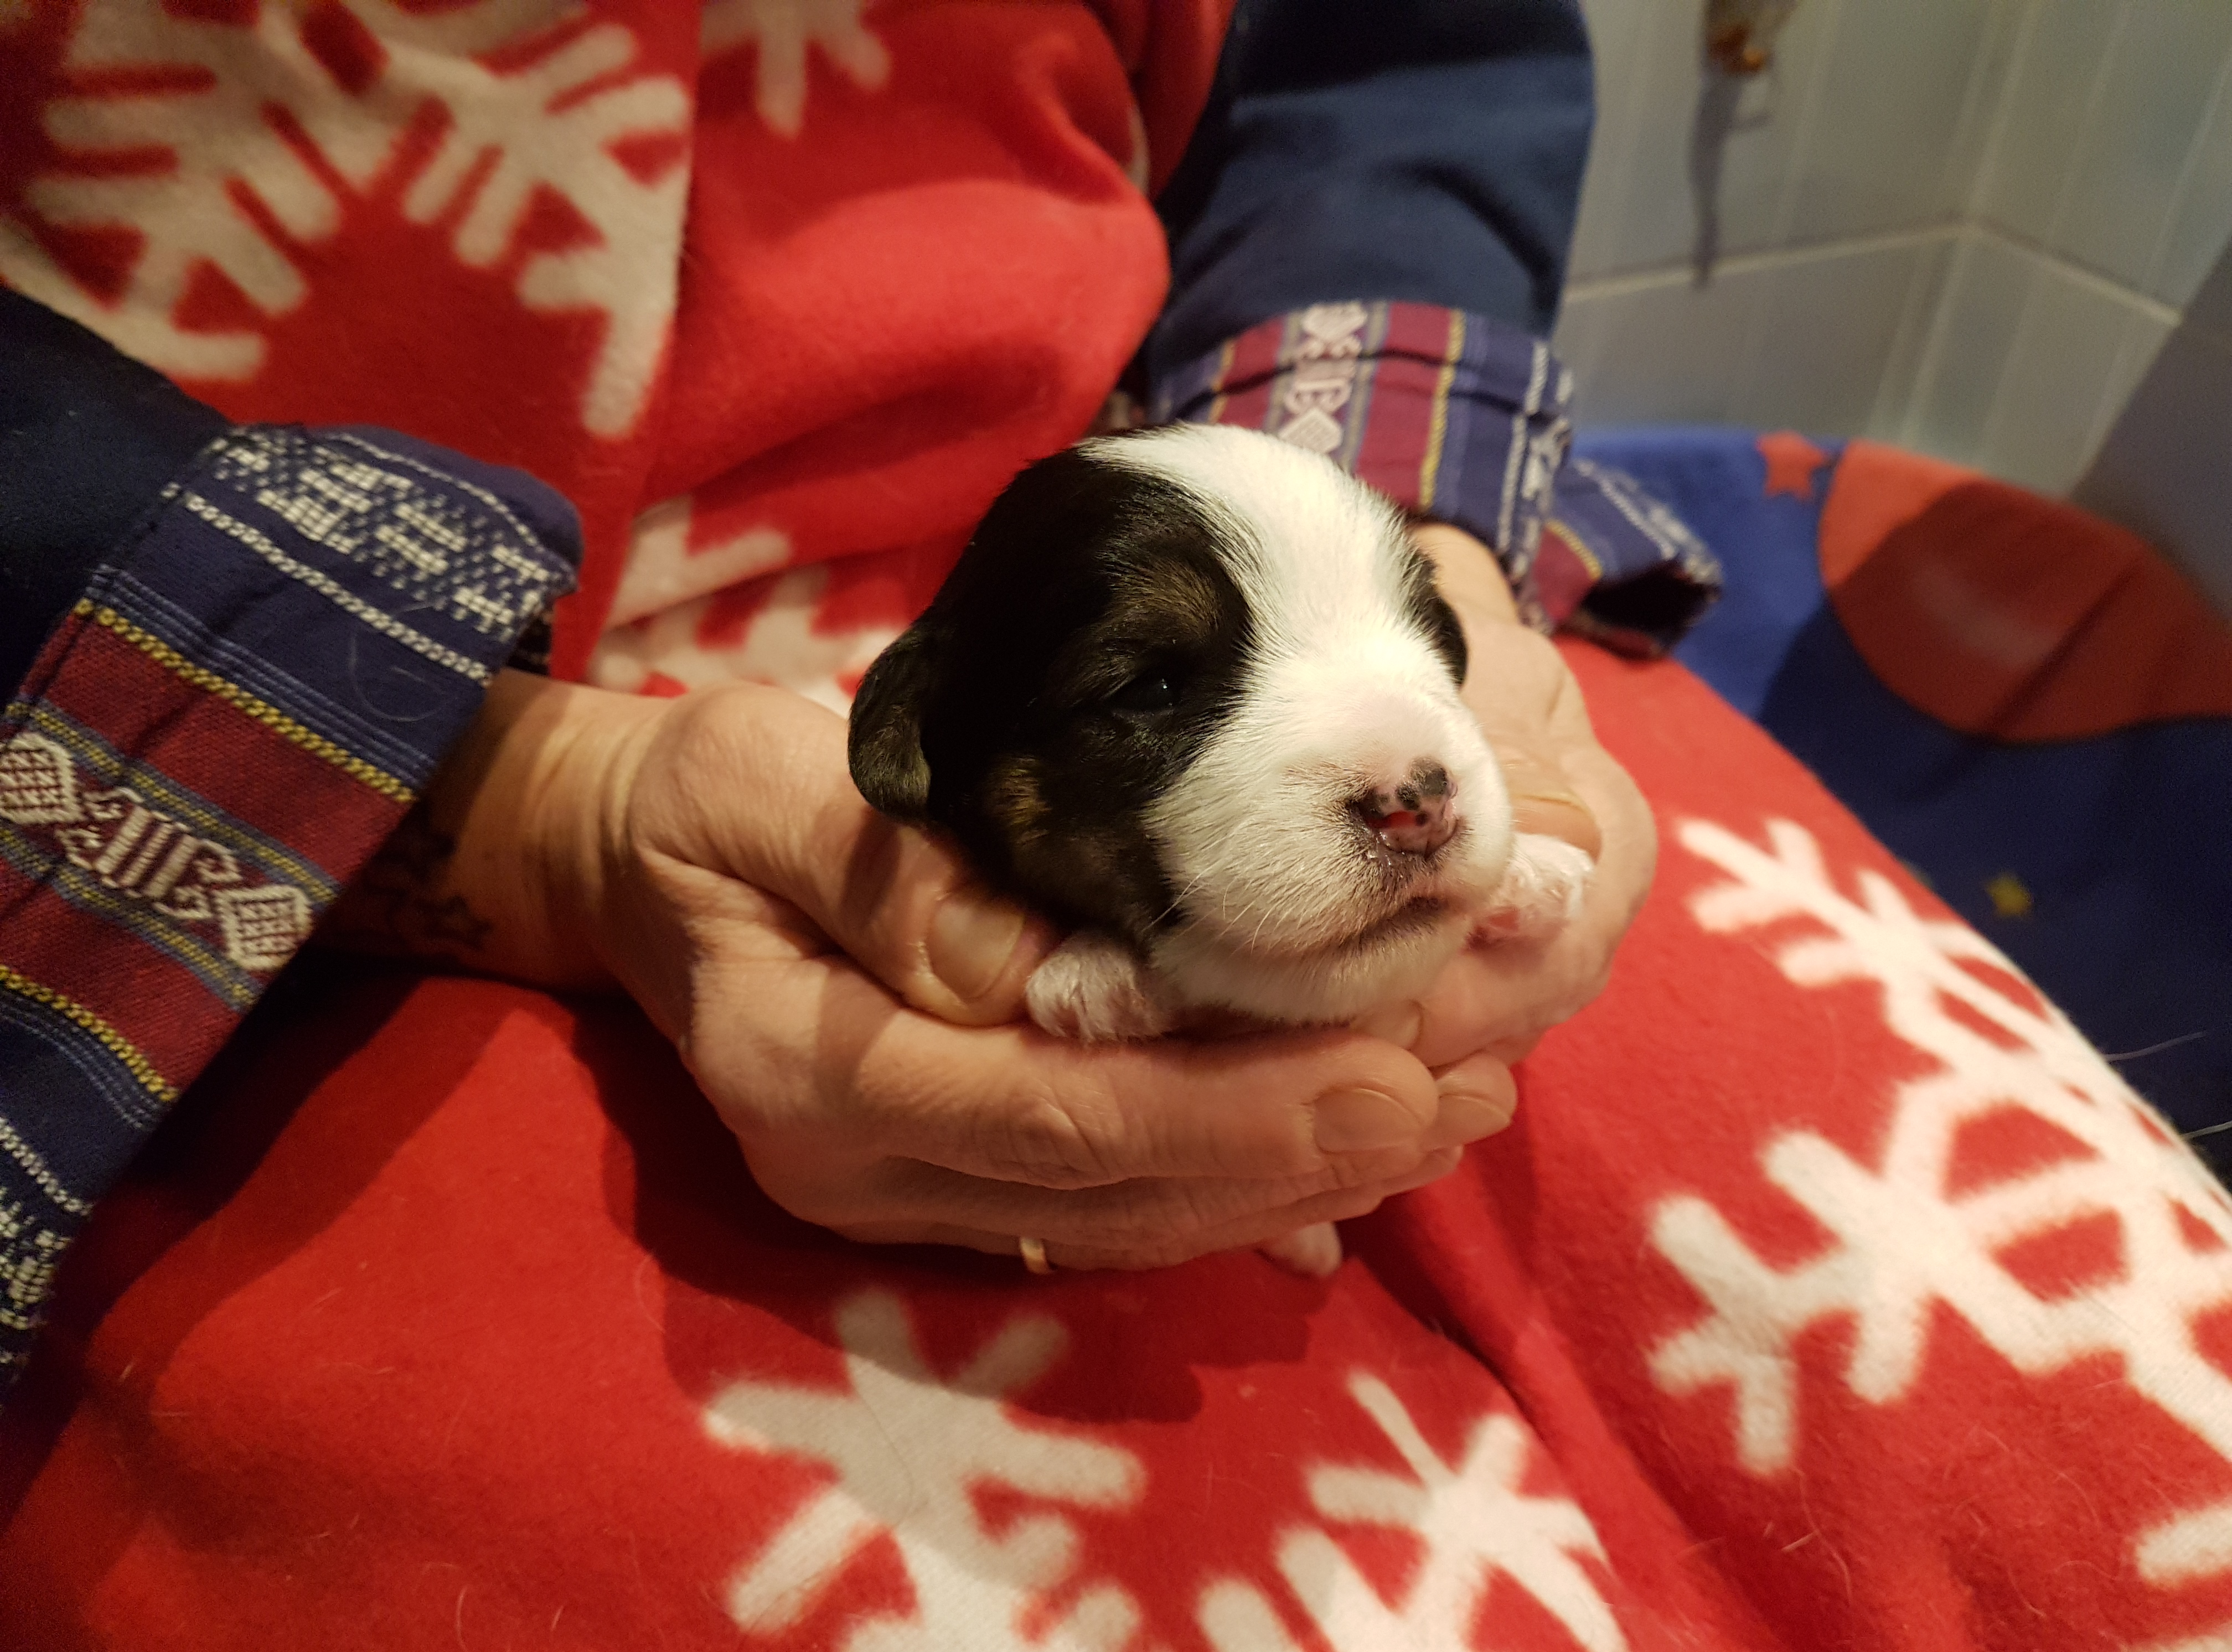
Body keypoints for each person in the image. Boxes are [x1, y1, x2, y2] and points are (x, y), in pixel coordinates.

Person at [0, 0, 1703, 1368]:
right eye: (1153, 690)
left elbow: (1386, 66)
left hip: (1172, 456)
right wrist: (543, 810)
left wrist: (1422, 540)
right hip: (228, 803)